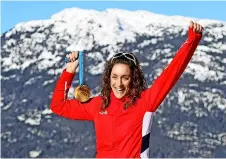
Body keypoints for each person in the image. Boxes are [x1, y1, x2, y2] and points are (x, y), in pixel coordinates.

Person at [50, 21, 203, 158]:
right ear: (108, 78)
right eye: (114, 77)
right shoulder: (99, 105)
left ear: (134, 79)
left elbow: (172, 72)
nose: (119, 83)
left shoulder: (145, 102)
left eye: (125, 77)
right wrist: (69, 72)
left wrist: (192, 41)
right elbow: (58, 106)